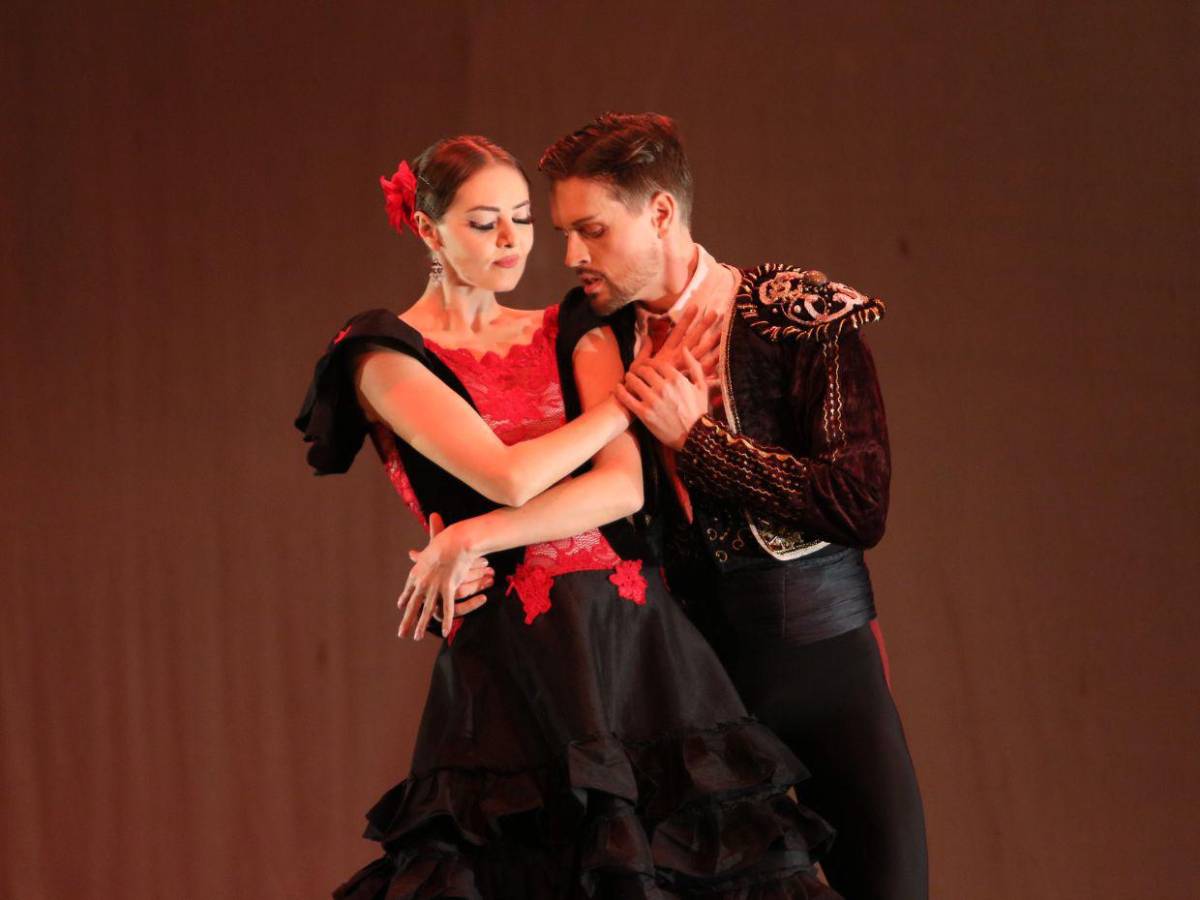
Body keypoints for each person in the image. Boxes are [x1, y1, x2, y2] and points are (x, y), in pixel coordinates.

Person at [294, 134, 839, 898]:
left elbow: (622, 490)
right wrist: (631, 400)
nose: (513, 240)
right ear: (427, 229)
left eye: (522, 218)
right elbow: (507, 475)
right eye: (484, 222)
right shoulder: (381, 352)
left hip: (637, 645)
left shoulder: (571, 325)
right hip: (514, 657)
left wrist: (469, 534)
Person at [526, 113, 931, 900]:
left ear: (661, 213)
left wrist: (699, 443)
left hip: (824, 661)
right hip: (687, 688)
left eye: (592, 230)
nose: (572, 255)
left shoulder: (795, 313)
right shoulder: (591, 335)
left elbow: (859, 502)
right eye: (565, 233)